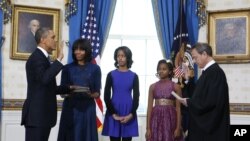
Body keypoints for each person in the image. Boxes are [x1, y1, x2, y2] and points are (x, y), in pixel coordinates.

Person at [21, 27, 74, 141]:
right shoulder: (37, 58)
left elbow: (49, 88)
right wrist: (59, 59)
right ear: (43, 40)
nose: (55, 40)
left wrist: (69, 88)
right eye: (53, 37)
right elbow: (45, 79)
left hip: (41, 117)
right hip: (37, 116)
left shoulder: (43, 58)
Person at [179, 43, 230, 141]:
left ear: (204, 54)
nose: (193, 61)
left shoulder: (215, 73)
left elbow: (210, 101)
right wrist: (187, 79)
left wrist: (189, 102)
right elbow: (198, 95)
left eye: (195, 57)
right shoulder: (207, 73)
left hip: (211, 131)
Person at [57, 38, 101, 141]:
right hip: (71, 108)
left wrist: (91, 94)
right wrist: (68, 93)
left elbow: (97, 93)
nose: (77, 52)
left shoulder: (95, 69)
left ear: (87, 51)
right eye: (75, 49)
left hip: (88, 109)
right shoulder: (67, 68)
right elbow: (62, 91)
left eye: (81, 49)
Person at [102, 46, 140, 141]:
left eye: (123, 56)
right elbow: (106, 96)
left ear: (128, 58)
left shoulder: (134, 76)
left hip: (129, 111)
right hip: (113, 111)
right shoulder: (110, 75)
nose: (120, 58)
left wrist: (131, 114)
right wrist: (114, 114)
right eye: (118, 55)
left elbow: (136, 98)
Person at [145, 59, 183, 141]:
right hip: (156, 120)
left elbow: (179, 108)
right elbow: (149, 108)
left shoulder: (176, 87)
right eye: (159, 69)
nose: (161, 71)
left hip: (170, 119)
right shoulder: (152, 87)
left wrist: (178, 127)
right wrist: (148, 128)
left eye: (164, 69)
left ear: (169, 71)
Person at [179, 51, 195, 140]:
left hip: (189, 117)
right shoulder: (180, 84)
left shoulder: (193, 84)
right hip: (180, 116)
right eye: (183, 62)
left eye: (186, 62)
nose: (183, 65)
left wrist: (188, 79)